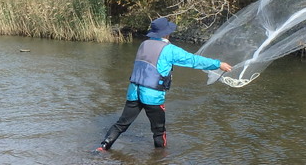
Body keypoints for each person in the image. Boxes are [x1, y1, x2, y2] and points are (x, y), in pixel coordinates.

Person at [96, 17, 232, 151]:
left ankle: (103, 147)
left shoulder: (144, 44)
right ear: (166, 33)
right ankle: (160, 163)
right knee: (159, 131)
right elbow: (193, 60)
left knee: (121, 124)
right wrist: (218, 64)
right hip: (152, 96)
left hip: (134, 92)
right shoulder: (170, 49)